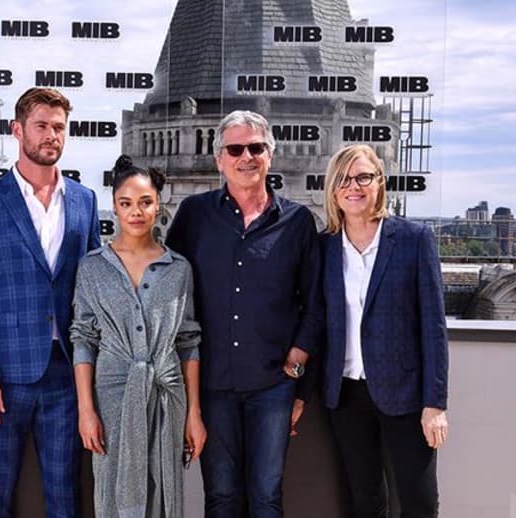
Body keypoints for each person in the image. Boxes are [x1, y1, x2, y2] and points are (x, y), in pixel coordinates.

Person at [165, 110, 322, 518]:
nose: (246, 157)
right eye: (235, 149)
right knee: (221, 495)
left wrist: (297, 368)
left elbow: (314, 301)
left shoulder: (297, 221)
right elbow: (168, 289)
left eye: (256, 148)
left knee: (267, 495)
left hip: (273, 386)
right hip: (211, 385)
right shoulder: (194, 215)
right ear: (220, 159)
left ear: (270, 155)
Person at [0, 87, 101, 518]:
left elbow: (91, 290)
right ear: (17, 130)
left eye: (59, 127)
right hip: (2, 378)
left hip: (66, 376)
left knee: (64, 497)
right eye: (41, 125)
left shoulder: (85, 200)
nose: (51, 135)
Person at [71, 155, 205, 518]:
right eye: (126, 203)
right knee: (112, 488)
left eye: (145, 202)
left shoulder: (178, 268)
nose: (136, 212)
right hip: (112, 394)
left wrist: (194, 414)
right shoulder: (93, 267)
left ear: (158, 204)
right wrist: (86, 411)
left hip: (166, 393)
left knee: (164, 491)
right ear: (114, 205)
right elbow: (83, 339)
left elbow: (188, 342)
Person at [319, 144, 448, 518]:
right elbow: (315, 318)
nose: (353, 186)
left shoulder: (412, 240)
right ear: (333, 189)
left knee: (420, 502)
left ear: (380, 183)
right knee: (365, 502)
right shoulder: (324, 247)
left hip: (406, 395)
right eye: (344, 179)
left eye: (363, 177)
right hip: (345, 395)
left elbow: (433, 328)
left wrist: (435, 403)